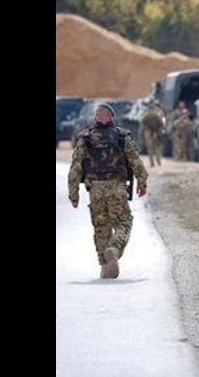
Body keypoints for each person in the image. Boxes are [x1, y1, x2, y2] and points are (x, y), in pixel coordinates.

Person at [68, 103, 148, 279]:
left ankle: (104, 265)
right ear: (111, 117)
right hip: (117, 187)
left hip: (95, 189)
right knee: (123, 223)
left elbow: (76, 167)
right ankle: (114, 248)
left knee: (101, 227)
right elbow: (135, 161)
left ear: (96, 118)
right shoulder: (122, 136)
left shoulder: (85, 138)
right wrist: (142, 182)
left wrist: (73, 193)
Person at [141, 102, 165, 167]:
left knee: (151, 148)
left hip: (151, 132)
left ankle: (153, 161)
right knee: (155, 147)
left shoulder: (147, 115)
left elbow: (143, 124)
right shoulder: (156, 115)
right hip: (153, 132)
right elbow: (161, 124)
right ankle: (156, 159)